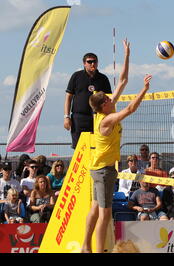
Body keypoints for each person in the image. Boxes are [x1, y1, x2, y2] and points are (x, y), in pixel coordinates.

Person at [82, 39, 153, 253]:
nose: (113, 99)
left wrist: (127, 54)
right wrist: (144, 89)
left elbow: (122, 80)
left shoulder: (103, 111)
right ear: (104, 105)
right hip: (103, 171)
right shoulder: (107, 120)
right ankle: (97, 250)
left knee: (95, 209)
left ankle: (86, 247)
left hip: (98, 168)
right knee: (104, 213)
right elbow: (130, 109)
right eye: (109, 99)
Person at [64, 52, 112, 149]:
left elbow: (109, 99)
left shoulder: (103, 78)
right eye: (89, 62)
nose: (92, 64)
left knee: (97, 147)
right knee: (79, 148)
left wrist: (108, 117)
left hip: (98, 117)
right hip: (79, 117)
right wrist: (66, 117)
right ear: (84, 63)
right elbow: (68, 97)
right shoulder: (76, 76)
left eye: (94, 61)